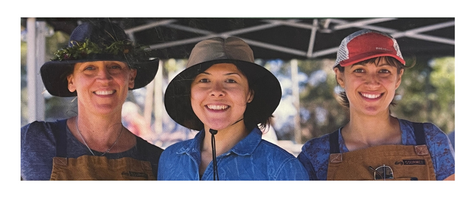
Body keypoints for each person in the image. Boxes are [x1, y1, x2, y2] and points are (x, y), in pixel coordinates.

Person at [297, 29, 455, 180]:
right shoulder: (315, 155)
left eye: (384, 70)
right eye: (359, 70)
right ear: (340, 77)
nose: (372, 82)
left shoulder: (431, 140)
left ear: (398, 78)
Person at [21, 20, 163, 180]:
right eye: (89, 68)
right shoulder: (31, 141)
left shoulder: (157, 162)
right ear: (71, 81)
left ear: (131, 77)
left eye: (115, 66)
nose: (104, 78)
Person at [157, 37, 309, 180]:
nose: (216, 91)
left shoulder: (282, 169)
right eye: (204, 80)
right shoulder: (170, 159)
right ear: (190, 93)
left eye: (231, 80)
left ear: (249, 94)